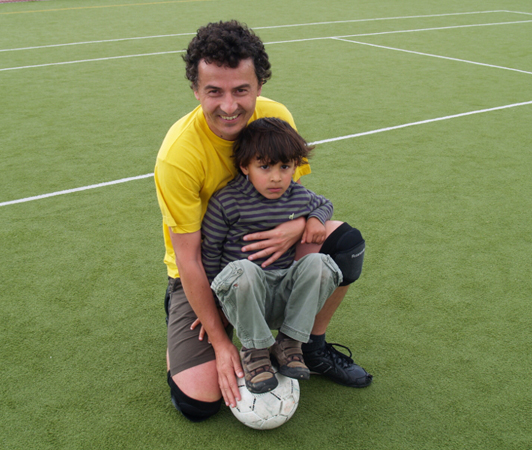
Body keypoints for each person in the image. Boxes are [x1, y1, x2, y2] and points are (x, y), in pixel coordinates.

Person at [154, 20, 371, 423]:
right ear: (196, 90)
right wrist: (219, 341)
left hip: (276, 255)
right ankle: (187, 321)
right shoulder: (178, 156)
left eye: (241, 90)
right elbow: (188, 257)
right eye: (214, 91)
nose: (230, 105)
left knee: (344, 244)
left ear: (259, 85)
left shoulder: (276, 117)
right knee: (198, 404)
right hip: (208, 268)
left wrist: (298, 224)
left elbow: (297, 197)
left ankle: (307, 344)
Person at [202, 117, 343, 394]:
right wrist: (213, 306)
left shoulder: (297, 195)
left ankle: (289, 342)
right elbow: (209, 253)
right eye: (264, 167)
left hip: (281, 291)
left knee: (321, 264)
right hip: (242, 296)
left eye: (285, 167)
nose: (276, 177)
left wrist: (315, 219)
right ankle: (254, 351)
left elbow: (325, 204)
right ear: (245, 167)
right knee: (244, 270)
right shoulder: (227, 202)